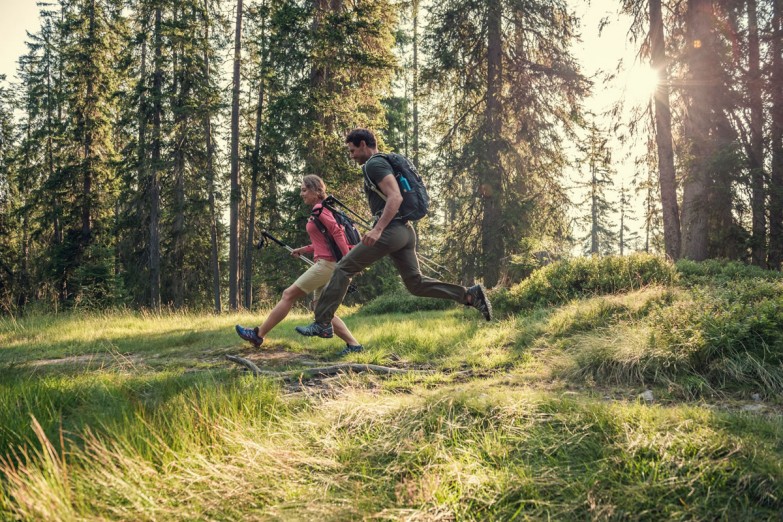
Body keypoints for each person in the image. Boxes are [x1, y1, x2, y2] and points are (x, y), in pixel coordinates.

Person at [295, 128, 491, 339]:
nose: (351, 156)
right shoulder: (382, 162)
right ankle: (469, 295)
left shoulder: (374, 164)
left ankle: (322, 322)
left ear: (363, 144)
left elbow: (395, 197)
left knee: (342, 268)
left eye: (352, 151)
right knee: (415, 283)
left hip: (391, 230)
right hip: (404, 231)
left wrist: (378, 229)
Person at [236, 175, 364, 356]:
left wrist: (347, 261)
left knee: (288, 294)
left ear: (316, 191)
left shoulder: (320, 209)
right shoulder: (322, 210)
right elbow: (325, 242)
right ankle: (354, 346)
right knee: (321, 309)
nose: (301, 193)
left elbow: (337, 233)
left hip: (327, 265)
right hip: (327, 263)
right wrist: (303, 249)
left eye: (304, 190)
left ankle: (258, 335)